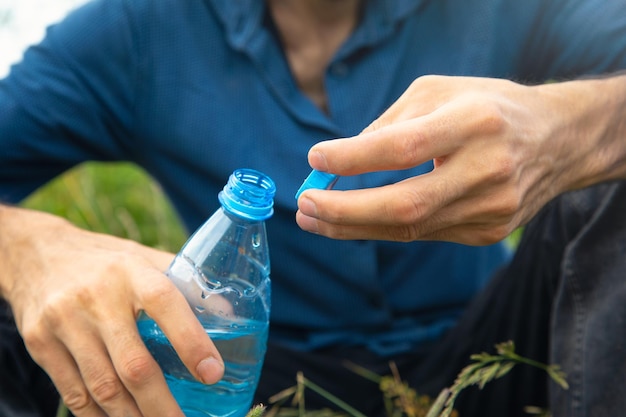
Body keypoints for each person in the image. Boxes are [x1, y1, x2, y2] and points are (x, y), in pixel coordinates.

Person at [0, 0, 625, 416]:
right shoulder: (138, 29)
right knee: (20, 316)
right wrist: (31, 250)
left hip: (506, 349)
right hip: (253, 380)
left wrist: (575, 129)